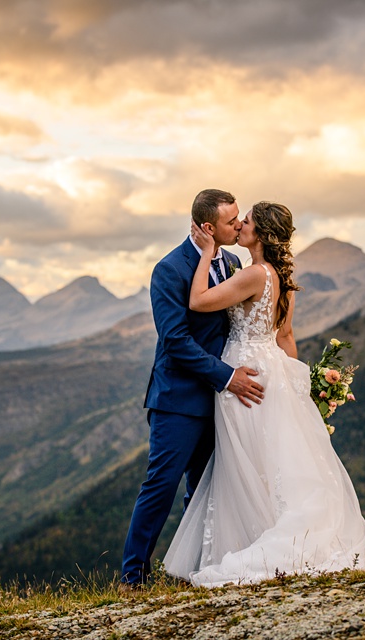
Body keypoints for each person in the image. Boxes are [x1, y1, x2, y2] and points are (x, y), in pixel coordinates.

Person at [163, 201, 365, 587]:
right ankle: (263, 533)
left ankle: (250, 545)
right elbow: (286, 337)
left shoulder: (254, 275)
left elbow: (197, 302)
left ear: (259, 234)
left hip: (244, 375)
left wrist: (207, 253)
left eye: (248, 222)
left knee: (244, 463)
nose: (240, 225)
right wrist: (298, 392)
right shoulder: (281, 279)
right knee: (271, 459)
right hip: (272, 372)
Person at [120, 189, 266, 590]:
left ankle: (195, 571)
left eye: (240, 218)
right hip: (179, 399)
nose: (238, 225)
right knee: (161, 486)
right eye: (230, 221)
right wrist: (226, 376)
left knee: (205, 489)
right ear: (208, 228)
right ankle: (133, 577)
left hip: (222, 400)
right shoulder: (169, 269)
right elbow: (176, 340)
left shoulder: (234, 261)